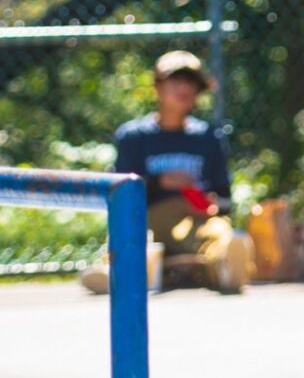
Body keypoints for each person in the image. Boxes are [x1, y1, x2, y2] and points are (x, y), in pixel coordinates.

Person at [80, 49, 251, 294]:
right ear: (158, 87)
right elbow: (120, 196)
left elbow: (224, 197)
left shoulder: (207, 137)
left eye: (190, 82)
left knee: (218, 232)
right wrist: (161, 182)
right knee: (129, 230)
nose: (184, 88)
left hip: (194, 220)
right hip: (150, 218)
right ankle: (113, 272)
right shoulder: (134, 136)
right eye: (176, 80)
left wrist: (211, 204)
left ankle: (225, 268)